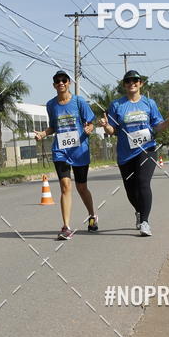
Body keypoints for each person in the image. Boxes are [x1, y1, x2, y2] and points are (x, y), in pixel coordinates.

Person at [98, 70, 169, 236]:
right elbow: (113, 130)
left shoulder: (149, 104)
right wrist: (106, 126)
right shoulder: (117, 105)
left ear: (141, 83)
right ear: (124, 85)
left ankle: (145, 222)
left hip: (147, 149)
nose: (132, 83)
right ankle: (139, 211)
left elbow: (156, 127)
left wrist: (168, 122)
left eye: (135, 80)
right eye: (128, 81)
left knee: (143, 182)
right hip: (125, 153)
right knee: (130, 189)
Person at [34, 70, 97, 239]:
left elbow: (91, 122)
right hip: (60, 150)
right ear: (54, 85)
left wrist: (89, 128)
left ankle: (92, 216)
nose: (61, 83)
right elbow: (53, 126)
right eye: (57, 81)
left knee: (81, 187)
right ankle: (66, 227)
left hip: (79, 150)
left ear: (69, 83)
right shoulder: (51, 105)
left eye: (64, 80)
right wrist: (43, 134)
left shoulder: (79, 101)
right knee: (65, 186)